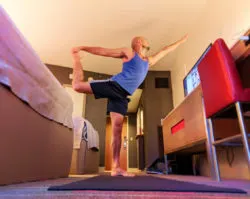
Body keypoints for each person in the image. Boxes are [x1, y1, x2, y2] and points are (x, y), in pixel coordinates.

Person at [71, 35, 188, 177]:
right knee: (77, 86)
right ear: (139, 43)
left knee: (117, 128)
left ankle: (116, 167)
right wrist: (82, 48)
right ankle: (76, 58)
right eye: (146, 44)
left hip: (122, 96)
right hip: (114, 86)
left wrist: (181, 41)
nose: (148, 47)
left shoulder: (147, 62)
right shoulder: (129, 53)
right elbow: (104, 51)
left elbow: (165, 50)